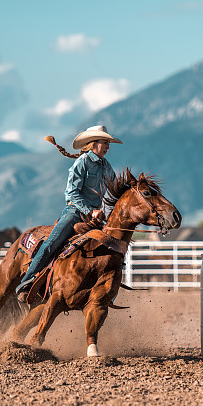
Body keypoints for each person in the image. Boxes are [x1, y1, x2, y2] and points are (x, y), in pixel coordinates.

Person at [15, 125, 121, 300]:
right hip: (75, 213)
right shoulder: (82, 162)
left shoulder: (106, 166)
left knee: (113, 247)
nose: (108, 147)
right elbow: (71, 193)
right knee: (51, 243)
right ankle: (26, 282)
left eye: (108, 143)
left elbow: (112, 192)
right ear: (93, 144)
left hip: (96, 217)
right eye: (105, 143)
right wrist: (90, 210)